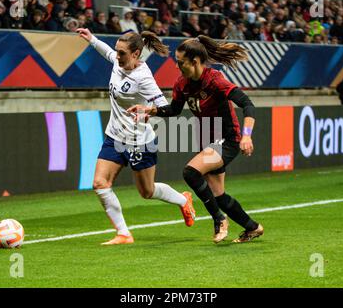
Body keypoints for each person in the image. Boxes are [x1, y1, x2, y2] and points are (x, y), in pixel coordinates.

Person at [128, 35, 264, 244]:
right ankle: (253, 227)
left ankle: (219, 220)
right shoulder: (182, 84)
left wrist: (247, 135)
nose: (177, 66)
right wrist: (151, 110)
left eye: (180, 62)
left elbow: (247, 104)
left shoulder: (214, 80)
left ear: (195, 61)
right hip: (208, 139)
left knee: (190, 172)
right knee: (219, 196)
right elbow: (174, 110)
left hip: (227, 138)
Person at [76, 28, 195, 245]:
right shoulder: (118, 61)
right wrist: (91, 39)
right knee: (100, 183)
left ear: (136, 54)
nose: (117, 56)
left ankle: (183, 200)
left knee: (147, 192)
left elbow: (163, 106)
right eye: (117, 51)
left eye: (122, 53)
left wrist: (148, 110)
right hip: (114, 136)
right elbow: (107, 53)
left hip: (139, 142)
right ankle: (124, 233)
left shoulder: (144, 77)